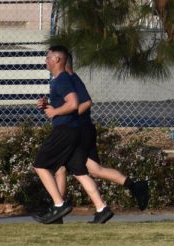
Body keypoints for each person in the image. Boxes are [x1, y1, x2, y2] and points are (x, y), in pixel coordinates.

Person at [46, 56, 151, 221]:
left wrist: (67, 115)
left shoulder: (71, 79)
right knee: (94, 170)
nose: (48, 63)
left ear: (62, 62)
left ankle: (60, 210)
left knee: (64, 169)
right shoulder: (64, 81)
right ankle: (134, 186)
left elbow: (86, 102)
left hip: (78, 130)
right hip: (82, 129)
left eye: (51, 59)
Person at [32, 46, 110, 224]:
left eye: (48, 57)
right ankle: (101, 208)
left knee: (40, 165)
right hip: (72, 129)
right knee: (78, 170)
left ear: (58, 60)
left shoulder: (62, 79)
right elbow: (67, 101)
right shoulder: (59, 80)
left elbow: (74, 103)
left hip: (65, 129)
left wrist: (55, 112)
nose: (46, 61)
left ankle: (59, 205)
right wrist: (47, 104)